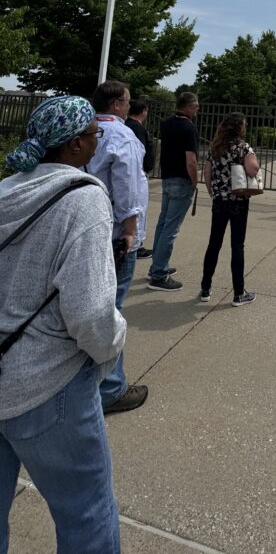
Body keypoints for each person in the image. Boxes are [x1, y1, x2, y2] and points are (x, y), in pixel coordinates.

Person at [0, 96, 126, 554]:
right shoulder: (84, 197)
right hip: (47, 386)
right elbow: (92, 312)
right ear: (74, 145)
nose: (100, 140)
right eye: (95, 134)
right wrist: (111, 351)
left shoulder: (6, 189)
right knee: (86, 513)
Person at [88, 79, 149, 414]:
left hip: (84, 229)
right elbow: (126, 185)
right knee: (111, 310)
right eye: (126, 101)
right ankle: (111, 388)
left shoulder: (84, 130)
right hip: (114, 234)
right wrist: (130, 230)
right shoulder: (121, 134)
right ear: (116, 104)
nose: (129, 106)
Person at [201, 112, 260, 307]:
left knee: (214, 244)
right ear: (239, 128)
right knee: (237, 246)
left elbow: (207, 172)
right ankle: (238, 292)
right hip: (238, 200)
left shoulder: (216, 147)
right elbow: (253, 170)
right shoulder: (244, 147)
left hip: (220, 201)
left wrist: (212, 192)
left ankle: (205, 287)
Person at [147, 92, 199, 293]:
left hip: (168, 177)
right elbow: (191, 159)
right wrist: (194, 181)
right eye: (196, 106)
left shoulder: (167, 124)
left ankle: (157, 265)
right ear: (190, 106)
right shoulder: (188, 127)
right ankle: (159, 273)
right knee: (171, 228)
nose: (197, 109)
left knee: (163, 223)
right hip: (181, 179)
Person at [125, 97, 155, 259]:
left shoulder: (129, 126)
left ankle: (137, 243)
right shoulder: (136, 128)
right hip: (139, 173)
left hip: (137, 172)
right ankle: (136, 244)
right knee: (138, 210)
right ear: (143, 111)